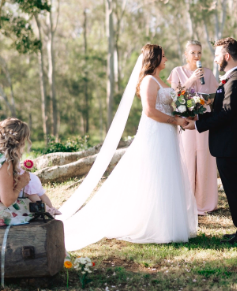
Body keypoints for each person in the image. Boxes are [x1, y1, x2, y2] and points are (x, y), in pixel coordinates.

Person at [61, 44, 198, 251]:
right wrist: (175, 121)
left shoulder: (161, 80)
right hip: (156, 133)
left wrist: (185, 114)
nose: (166, 59)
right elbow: (150, 111)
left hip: (168, 134)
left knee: (168, 175)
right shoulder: (148, 81)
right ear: (154, 59)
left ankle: (169, 224)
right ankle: (154, 225)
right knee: (155, 175)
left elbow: (171, 103)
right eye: (163, 56)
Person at [183, 37, 237, 244]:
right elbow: (221, 111)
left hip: (230, 145)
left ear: (226, 56)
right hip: (226, 144)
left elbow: (227, 113)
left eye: (217, 56)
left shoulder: (236, 80)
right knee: (234, 189)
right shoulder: (230, 79)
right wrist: (198, 117)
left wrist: (198, 125)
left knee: (235, 189)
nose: (214, 60)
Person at [168, 40, 219, 215]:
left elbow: (215, 97)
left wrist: (207, 100)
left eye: (199, 52)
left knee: (205, 157)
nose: (196, 56)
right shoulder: (177, 72)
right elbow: (174, 95)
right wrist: (191, 80)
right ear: (185, 54)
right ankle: (186, 202)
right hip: (187, 121)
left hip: (204, 121)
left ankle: (204, 202)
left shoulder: (209, 73)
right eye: (193, 53)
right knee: (188, 158)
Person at [0, 118, 33, 226]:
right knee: (34, 207)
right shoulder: (4, 162)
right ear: (19, 141)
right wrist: (20, 185)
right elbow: (7, 201)